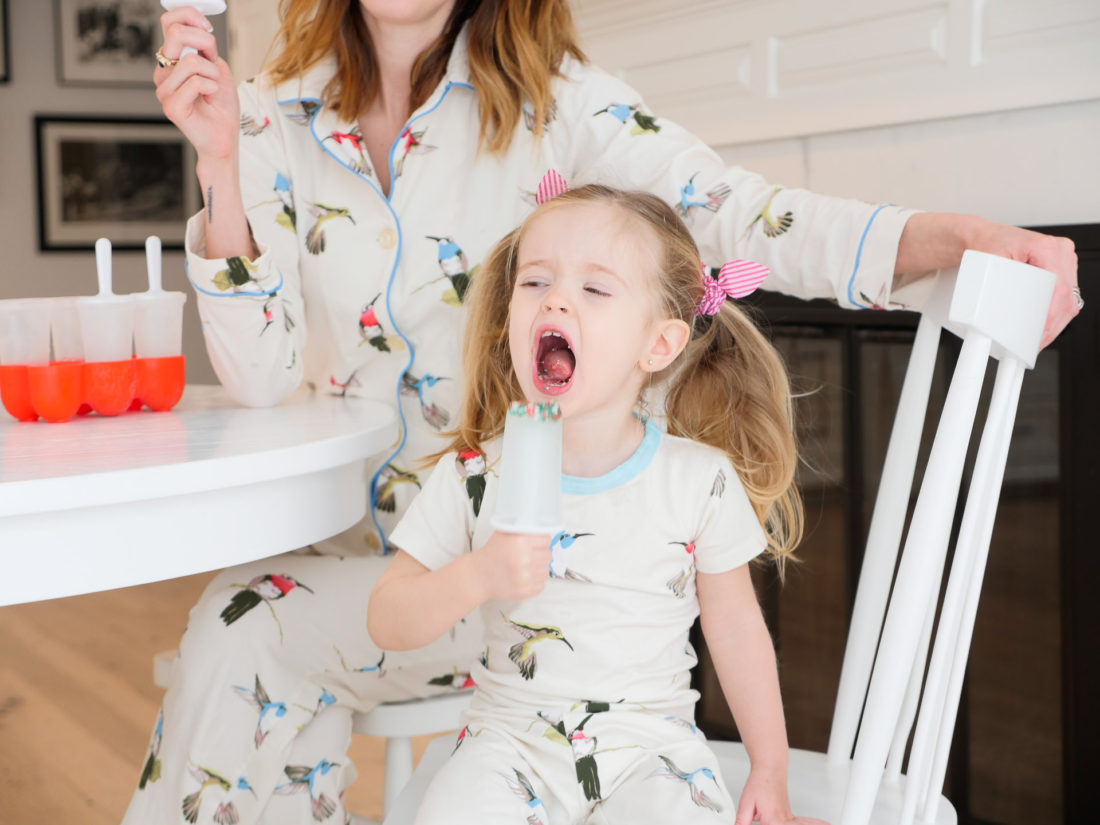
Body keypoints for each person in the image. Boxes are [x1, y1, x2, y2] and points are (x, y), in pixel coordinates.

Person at [131, 1, 1080, 823]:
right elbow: (260, 376)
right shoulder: (265, 117)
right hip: (392, 583)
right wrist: (220, 168)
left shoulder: (562, 107)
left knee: (262, 658)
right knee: (244, 625)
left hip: (564, 615)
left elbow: (738, 214)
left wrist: (957, 235)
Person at [369, 183, 821, 825]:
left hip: (651, 750)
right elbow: (388, 618)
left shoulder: (698, 481)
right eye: (535, 283)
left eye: (595, 289)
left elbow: (738, 632)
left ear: (659, 345)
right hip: (506, 746)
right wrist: (479, 574)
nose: (555, 298)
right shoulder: (475, 476)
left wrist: (769, 771)